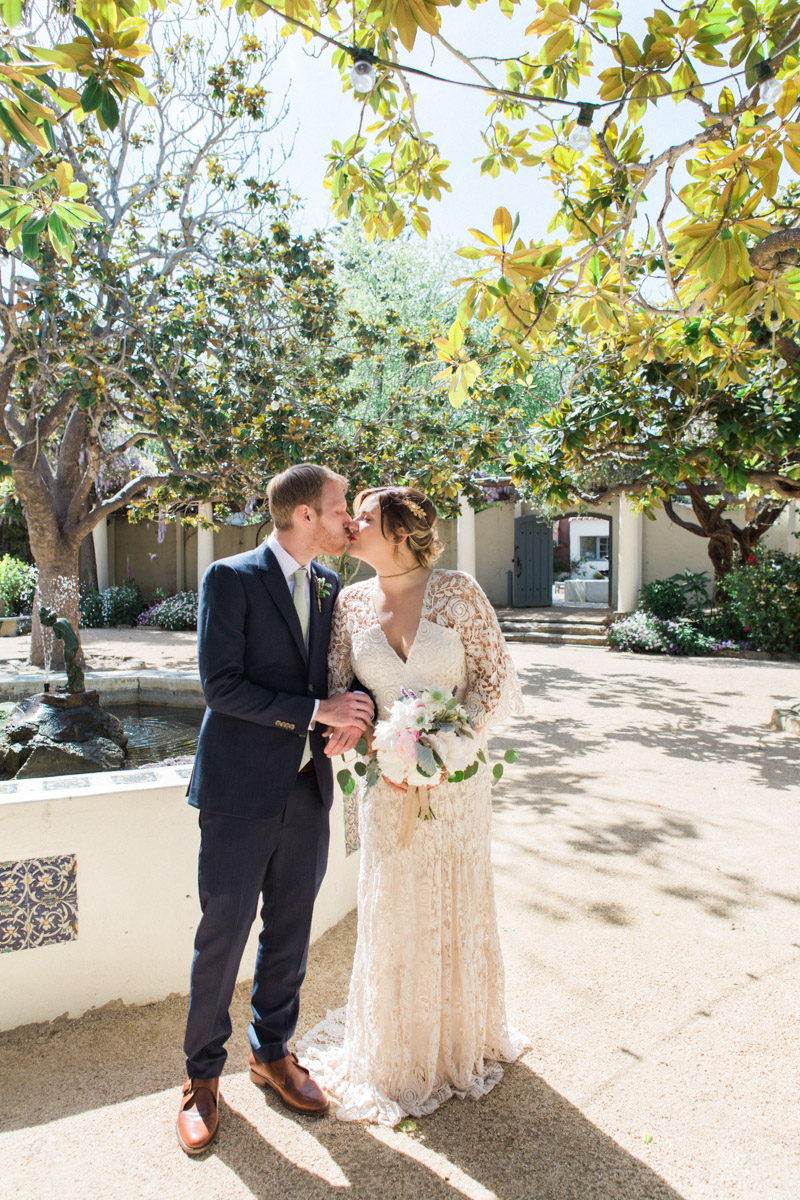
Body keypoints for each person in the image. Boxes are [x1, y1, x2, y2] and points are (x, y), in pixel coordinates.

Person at [298, 485, 527, 1125]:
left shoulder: (459, 594)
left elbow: (496, 686)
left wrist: (449, 747)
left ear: (399, 531)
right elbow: (344, 692)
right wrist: (383, 750)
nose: (350, 525)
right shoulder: (348, 604)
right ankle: (396, 1050)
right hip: (386, 784)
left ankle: (457, 1039)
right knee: (394, 899)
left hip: (457, 788)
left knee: (452, 895)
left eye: (363, 518)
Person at [177, 463, 374, 1154]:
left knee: (290, 931)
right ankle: (202, 1079)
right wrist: (315, 709)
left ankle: (271, 1052)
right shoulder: (229, 578)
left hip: (305, 788)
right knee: (222, 936)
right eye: (338, 505)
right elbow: (220, 687)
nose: (347, 514)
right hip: (237, 793)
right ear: (302, 517)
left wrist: (358, 710)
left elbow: (343, 679)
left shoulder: (329, 585)